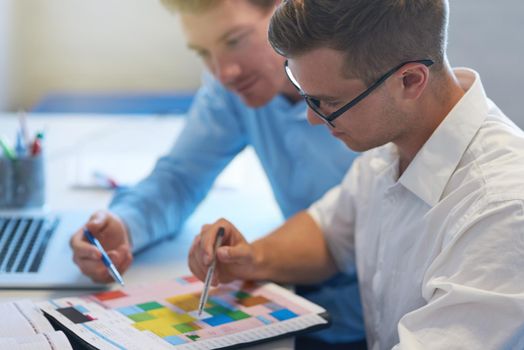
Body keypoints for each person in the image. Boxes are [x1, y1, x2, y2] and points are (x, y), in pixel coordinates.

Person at [189, 0, 524, 349]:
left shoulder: (504, 211)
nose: (313, 119)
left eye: (329, 102)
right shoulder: (394, 138)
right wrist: (250, 259)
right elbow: (330, 234)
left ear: (409, 81)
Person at [69, 0, 365, 348]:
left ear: (290, 10)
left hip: (368, 314)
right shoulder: (234, 88)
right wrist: (126, 225)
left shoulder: (371, 91)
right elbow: (180, 177)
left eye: (235, 40)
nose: (224, 72)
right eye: (203, 52)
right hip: (301, 287)